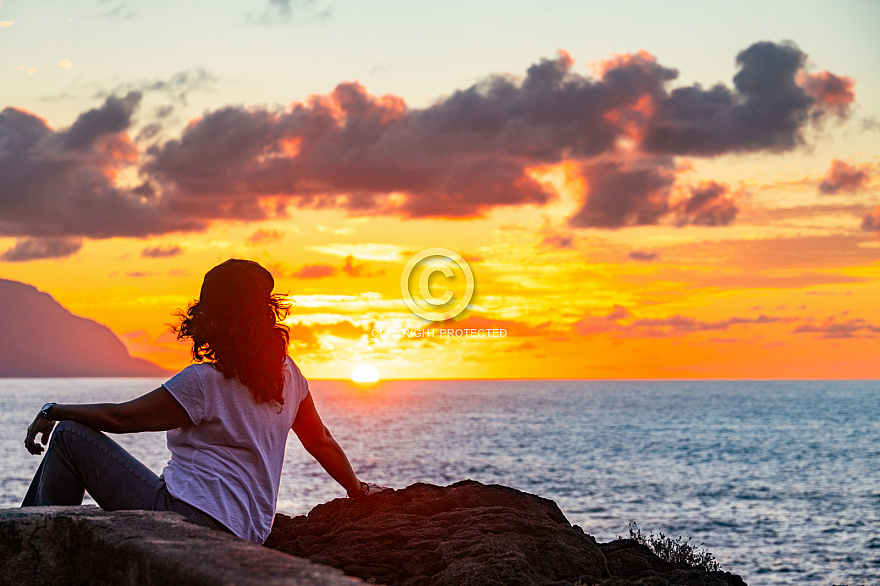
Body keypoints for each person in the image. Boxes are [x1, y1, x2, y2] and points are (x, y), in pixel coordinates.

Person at [22, 258, 376, 544]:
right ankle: (24, 533)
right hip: (249, 533)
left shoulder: (205, 381)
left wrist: (51, 411)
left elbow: (121, 419)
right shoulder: (288, 373)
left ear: (211, 320)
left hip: (187, 520)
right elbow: (320, 440)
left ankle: (27, 545)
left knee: (69, 436)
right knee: (70, 440)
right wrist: (359, 491)